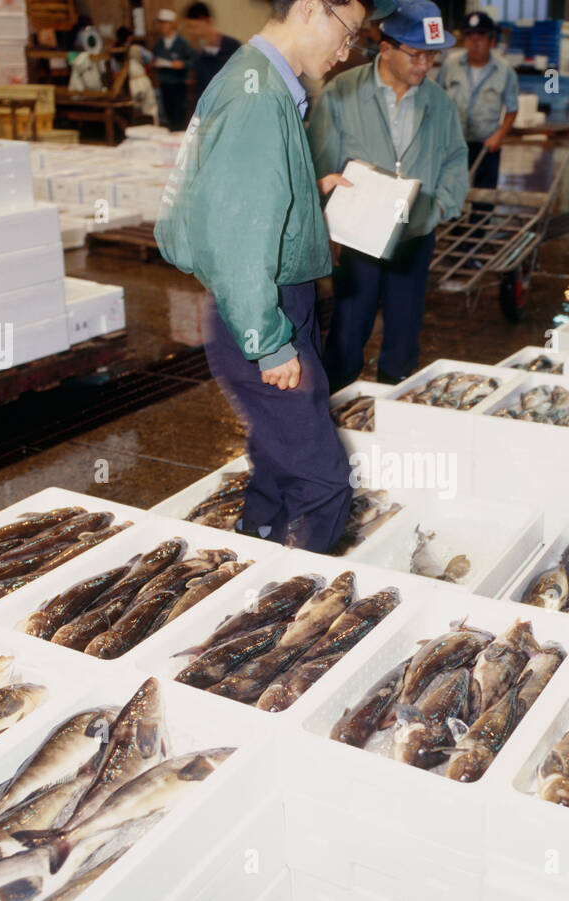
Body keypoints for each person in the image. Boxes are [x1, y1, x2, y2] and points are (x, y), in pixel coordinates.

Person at [154, 0, 396, 554]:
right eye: (348, 33)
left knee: (278, 458)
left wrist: (311, 194)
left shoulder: (262, 82)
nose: (345, 52)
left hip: (273, 300)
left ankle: (254, 549)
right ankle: (297, 618)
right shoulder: (256, 97)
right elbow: (238, 237)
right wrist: (269, 343)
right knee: (322, 481)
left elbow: (245, 200)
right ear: (311, 8)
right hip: (263, 309)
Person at [308, 0, 467, 391]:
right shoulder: (342, 94)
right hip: (358, 238)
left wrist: (442, 205)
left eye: (431, 56)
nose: (424, 65)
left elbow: (455, 159)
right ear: (386, 48)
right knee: (348, 328)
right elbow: (319, 161)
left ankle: (397, 405)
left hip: (414, 236)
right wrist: (329, 224)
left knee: (404, 331)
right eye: (415, 54)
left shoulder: (438, 103)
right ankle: (336, 408)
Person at [437, 11, 517, 192]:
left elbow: (512, 109)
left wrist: (499, 135)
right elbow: (436, 99)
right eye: (470, 37)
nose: (474, 43)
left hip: (487, 147)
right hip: (453, 144)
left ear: (492, 41)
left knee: (484, 199)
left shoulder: (504, 71)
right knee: (448, 194)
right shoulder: (450, 64)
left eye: (480, 37)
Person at [183, 2, 239, 100]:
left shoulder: (232, 47)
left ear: (207, 21)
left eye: (194, 27)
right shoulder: (199, 53)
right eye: (189, 27)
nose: (192, 32)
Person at [151, 8, 194, 130]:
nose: (162, 26)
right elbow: (153, 59)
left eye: (165, 23)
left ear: (172, 24)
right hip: (164, 85)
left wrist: (182, 64)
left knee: (179, 117)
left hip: (179, 86)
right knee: (168, 117)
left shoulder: (182, 43)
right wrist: (155, 63)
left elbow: (193, 60)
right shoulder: (159, 43)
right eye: (160, 23)